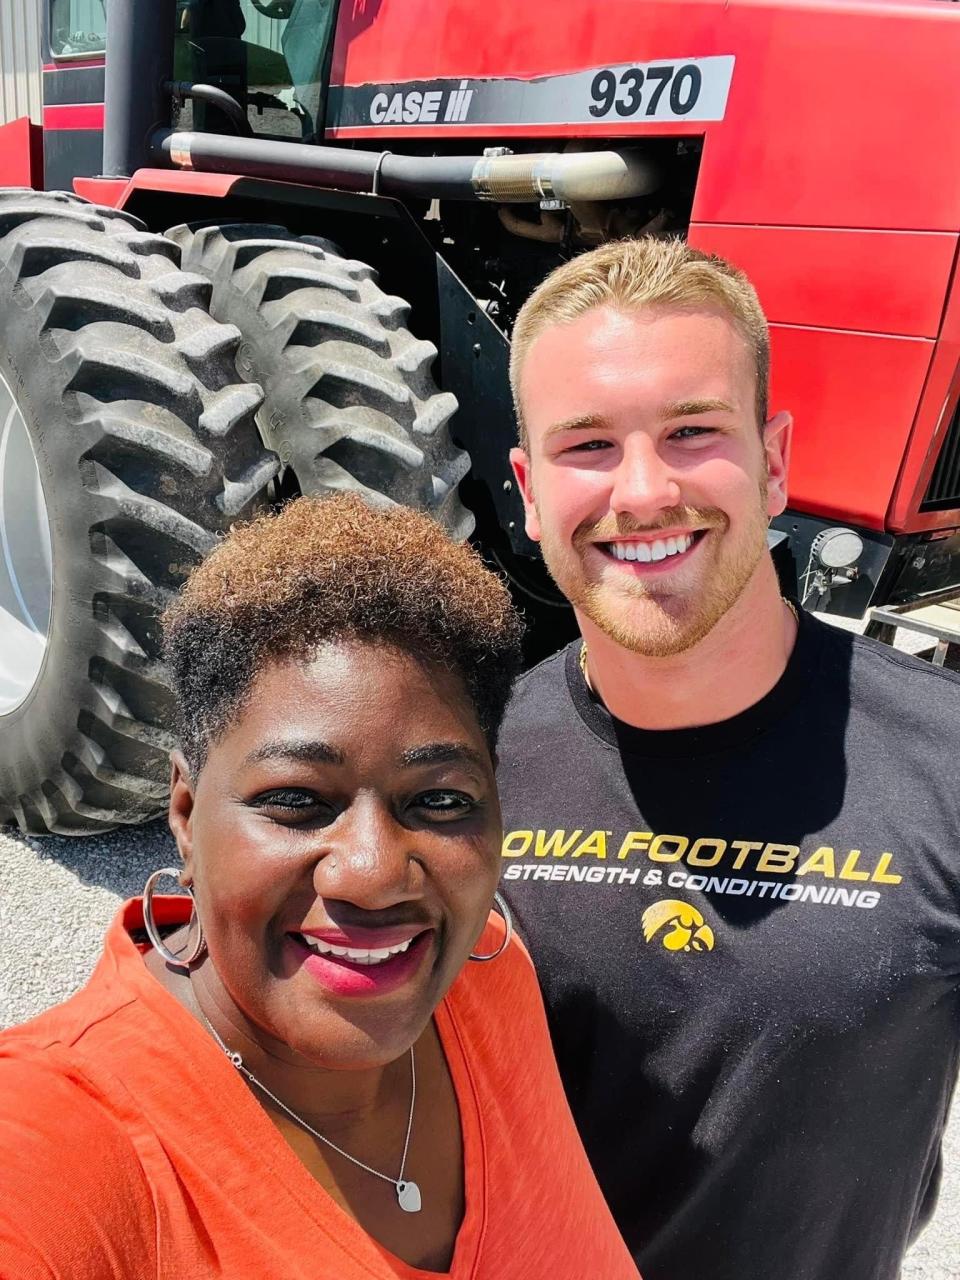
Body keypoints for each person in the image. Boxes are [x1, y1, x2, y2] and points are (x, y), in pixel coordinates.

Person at [0, 494, 640, 1280]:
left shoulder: (486, 983)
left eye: (439, 800)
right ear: (186, 812)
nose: (373, 876)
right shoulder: (67, 1142)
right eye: (297, 800)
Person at [496, 237, 960, 1280]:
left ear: (776, 458)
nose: (646, 490)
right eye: (589, 446)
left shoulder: (947, 763)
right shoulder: (459, 772)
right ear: (528, 490)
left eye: (693, 430)